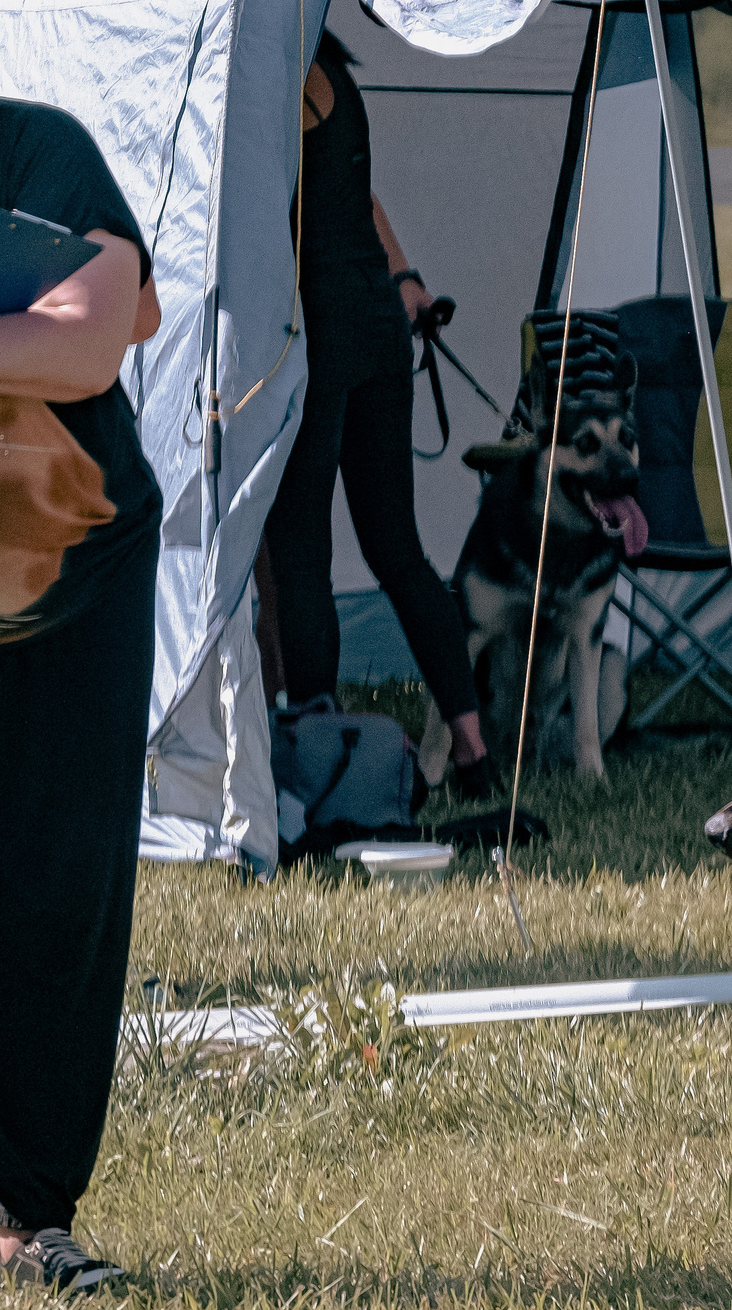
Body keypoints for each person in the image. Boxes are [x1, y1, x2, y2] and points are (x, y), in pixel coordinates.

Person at [0, 97, 165, 1292]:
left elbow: (91, 340)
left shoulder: (40, 150)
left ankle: (27, 1214)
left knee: (55, 877)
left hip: (68, 571)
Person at [263, 30, 493, 797]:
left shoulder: (278, 76)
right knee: (399, 551)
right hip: (377, 327)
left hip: (320, 334)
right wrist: (407, 282)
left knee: (298, 553)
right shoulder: (328, 63)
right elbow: (360, 199)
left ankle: (314, 751)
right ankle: (474, 751)